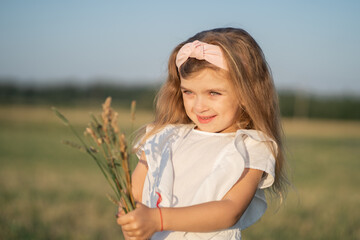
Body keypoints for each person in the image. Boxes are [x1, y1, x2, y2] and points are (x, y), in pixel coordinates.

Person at [116, 27, 288, 240]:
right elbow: (133, 193)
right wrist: (128, 214)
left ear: (247, 93)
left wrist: (158, 219)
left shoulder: (251, 146)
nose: (199, 106)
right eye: (188, 92)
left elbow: (230, 210)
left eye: (213, 93)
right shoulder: (163, 137)